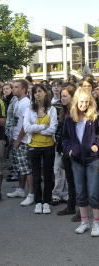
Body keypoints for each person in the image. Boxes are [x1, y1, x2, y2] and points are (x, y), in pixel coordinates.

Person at [62, 88, 99, 236]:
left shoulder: (94, 118)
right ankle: (84, 222)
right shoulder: (69, 119)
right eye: (81, 102)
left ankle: (96, 223)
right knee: (80, 192)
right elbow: (64, 139)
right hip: (76, 160)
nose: (83, 105)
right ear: (76, 102)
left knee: (94, 193)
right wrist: (70, 150)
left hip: (93, 160)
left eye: (86, 102)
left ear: (90, 103)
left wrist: (97, 145)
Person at [23, 84, 57, 214]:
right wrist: (43, 126)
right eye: (35, 92)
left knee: (48, 176)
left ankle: (46, 201)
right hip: (33, 146)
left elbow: (53, 128)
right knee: (36, 176)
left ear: (45, 93)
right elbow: (26, 128)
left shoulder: (52, 109)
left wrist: (35, 127)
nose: (37, 94)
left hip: (48, 146)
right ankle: (38, 202)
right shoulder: (29, 109)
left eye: (40, 91)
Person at [6, 79, 35, 206]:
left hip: (23, 141)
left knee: (27, 168)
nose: (13, 89)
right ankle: (21, 190)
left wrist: (18, 140)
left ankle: (31, 194)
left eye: (16, 87)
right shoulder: (17, 101)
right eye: (13, 87)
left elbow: (25, 124)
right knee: (19, 168)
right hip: (16, 138)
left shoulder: (26, 103)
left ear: (24, 89)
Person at [56, 84, 79, 219]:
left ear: (72, 97)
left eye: (65, 96)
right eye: (61, 96)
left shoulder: (76, 112)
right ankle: (71, 207)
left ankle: (80, 211)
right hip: (65, 150)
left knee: (78, 182)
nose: (62, 98)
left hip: (74, 152)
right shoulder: (64, 111)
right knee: (71, 181)